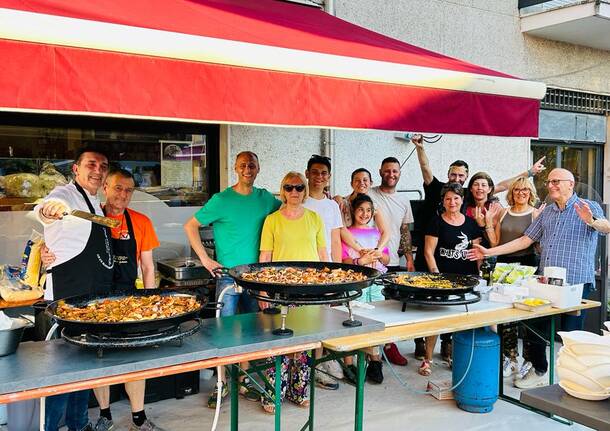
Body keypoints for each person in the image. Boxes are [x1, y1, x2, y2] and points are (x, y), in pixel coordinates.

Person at [42, 169, 163, 431]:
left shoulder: (141, 222)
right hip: (95, 301)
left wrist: (151, 302)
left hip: (130, 300)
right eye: (118, 188)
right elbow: (58, 239)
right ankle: (104, 414)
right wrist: (46, 253)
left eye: (129, 190)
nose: (123, 194)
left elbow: (148, 267)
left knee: (135, 361)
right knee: (97, 359)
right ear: (105, 188)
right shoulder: (90, 218)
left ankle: (138, 418)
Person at [468, 168, 609, 388]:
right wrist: (489, 252)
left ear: (570, 184)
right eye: (549, 181)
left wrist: (590, 221)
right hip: (547, 282)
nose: (550, 185)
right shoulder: (547, 213)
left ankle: (573, 379)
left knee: (570, 334)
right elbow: (525, 239)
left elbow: (606, 228)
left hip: (575, 282)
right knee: (536, 325)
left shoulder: (587, 206)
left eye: (556, 181)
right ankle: (538, 369)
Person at [412, 135, 546, 361]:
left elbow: (505, 185)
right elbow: (426, 169)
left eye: (462, 175)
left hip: (481, 259)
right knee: (435, 308)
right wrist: (420, 148)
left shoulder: (485, 202)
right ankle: (425, 349)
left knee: (475, 309)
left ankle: (463, 349)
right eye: (455, 175)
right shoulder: (453, 195)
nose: (459, 179)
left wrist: (529, 173)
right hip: (448, 261)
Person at [184, 151, 281, 407]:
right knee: (223, 333)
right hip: (227, 277)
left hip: (256, 277)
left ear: (258, 167)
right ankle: (222, 383)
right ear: (235, 168)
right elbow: (190, 226)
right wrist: (205, 260)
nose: (247, 169)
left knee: (251, 330)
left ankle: (246, 380)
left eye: (252, 164)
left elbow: (289, 215)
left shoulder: (267, 199)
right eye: (242, 165)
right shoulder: (221, 199)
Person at [35, 147, 114, 431]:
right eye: (90, 164)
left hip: (91, 298)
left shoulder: (95, 202)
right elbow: (45, 209)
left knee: (83, 369)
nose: (97, 169)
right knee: (61, 373)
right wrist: (48, 210)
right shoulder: (64, 194)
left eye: (103, 165)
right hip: (67, 299)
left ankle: (79, 425)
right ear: (76, 170)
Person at [258, 171, 327, 413]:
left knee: (305, 342)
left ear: (305, 190)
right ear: (282, 191)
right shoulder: (272, 220)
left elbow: (323, 257)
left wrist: (327, 289)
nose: (294, 192)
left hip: (309, 291)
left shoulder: (315, 218)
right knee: (277, 342)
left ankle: (300, 392)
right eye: (289, 187)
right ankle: (272, 395)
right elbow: (264, 259)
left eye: (299, 187)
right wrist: (264, 291)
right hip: (279, 289)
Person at [420, 183, 482, 376]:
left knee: (459, 321)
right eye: (448, 198)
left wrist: (478, 276)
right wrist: (436, 275)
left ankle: (456, 357)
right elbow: (428, 252)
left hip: (465, 279)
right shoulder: (436, 221)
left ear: (462, 200)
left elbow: (477, 253)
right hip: (442, 278)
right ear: (443, 202)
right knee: (435, 320)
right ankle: (427, 359)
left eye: (456, 198)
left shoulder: (471, 224)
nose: (452, 202)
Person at [303, 155, 349, 390]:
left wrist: (337, 270)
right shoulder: (298, 200)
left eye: (324, 173)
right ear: (307, 173)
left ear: (329, 178)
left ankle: (322, 362)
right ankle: (306, 365)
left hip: (326, 269)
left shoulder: (332, 206)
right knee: (305, 320)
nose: (319, 177)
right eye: (315, 172)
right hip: (302, 271)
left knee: (324, 318)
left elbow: (335, 239)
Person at [494, 177, 545, 380]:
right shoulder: (503, 212)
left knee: (526, 315)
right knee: (506, 315)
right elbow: (496, 241)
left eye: (525, 189)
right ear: (511, 192)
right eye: (517, 190)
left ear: (530, 192)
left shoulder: (535, 213)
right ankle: (510, 358)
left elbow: (538, 246)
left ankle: (528, 360)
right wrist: (488, 224)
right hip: (504, 267)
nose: (521, 193)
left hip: (527, 266)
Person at [367, 157, 414, 366]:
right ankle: (371, 349)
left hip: (392, 258)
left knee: (391, 306)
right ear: (380, 171)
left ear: (400, 173)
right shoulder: (370, 193)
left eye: (395, 171)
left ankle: (389, 346)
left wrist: (409, 257)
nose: (391, 174)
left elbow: (405, 230)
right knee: (370, 304)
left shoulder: (404, 200)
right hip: (370, 259)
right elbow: (352, 200)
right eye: (387, 171)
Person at [341, 194, 389, 384]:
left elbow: (386, 259)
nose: (365, 214)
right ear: (353, 210)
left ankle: (375, 360)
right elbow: (343, 260)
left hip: (376, 282)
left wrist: (378, 255)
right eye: (361, 209)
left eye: (368, 210)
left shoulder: (377, 234)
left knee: (376, 319)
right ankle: (350, 362)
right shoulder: (347, 233)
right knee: (353, 318)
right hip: (356, 282)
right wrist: (360, 261)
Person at [335, 168, 390, 250]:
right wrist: (361, 250)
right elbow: (342, 230)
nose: (361, 183)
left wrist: (377, 250)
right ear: (351, 184)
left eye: (365, 180)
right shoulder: (343, 203)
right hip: (346, 252)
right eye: (357, 180)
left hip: (368, 252)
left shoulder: (374, 205)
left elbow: (385, 232)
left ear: (371, 183)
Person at [464, 172, 502, 247]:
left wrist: (483, 225)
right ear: (471, 189)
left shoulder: (495, 208)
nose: (479, 188)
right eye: (476, 184)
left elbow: (494, 243)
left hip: (488, 252)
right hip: (466, 249)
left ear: (489, 189)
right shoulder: (464, 206)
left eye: (483, 185)